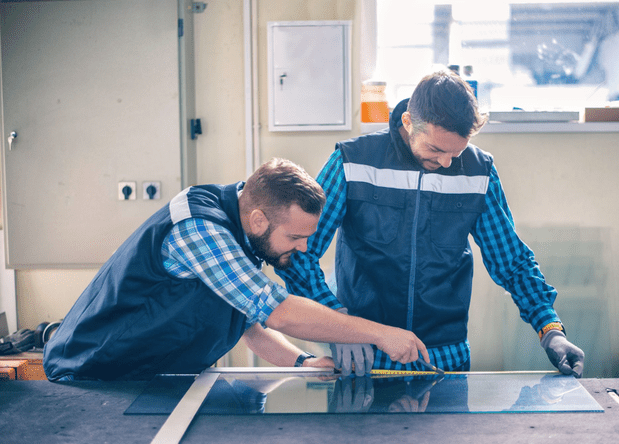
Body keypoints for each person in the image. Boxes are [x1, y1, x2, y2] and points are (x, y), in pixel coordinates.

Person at [277, 70, 585, 378]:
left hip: (446, 357)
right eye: (436, 149)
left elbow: (512, 261)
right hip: (367, 355)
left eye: (457, 152)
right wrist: (337, 324)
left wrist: (550, 329)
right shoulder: (352, 162)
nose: (447, 163)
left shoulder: (479, 172)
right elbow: (299, 252)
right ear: (408, 122)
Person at [43, 158, 429, 381]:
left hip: (148, 378)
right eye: (295, 237)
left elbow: (250, 327)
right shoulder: (197, 227)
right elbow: (277, 312)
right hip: (90, 375)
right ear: (260, 220)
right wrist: (381, 334)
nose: (304, 247)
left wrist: (304, 363)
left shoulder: (243, 231)